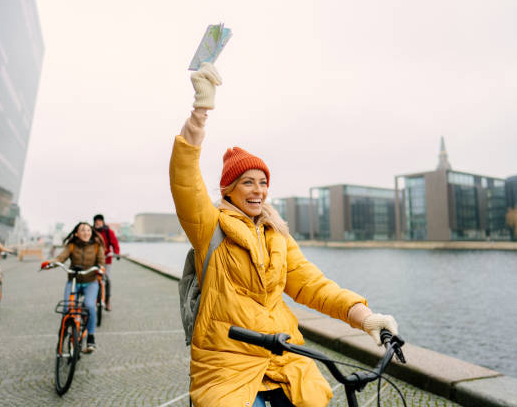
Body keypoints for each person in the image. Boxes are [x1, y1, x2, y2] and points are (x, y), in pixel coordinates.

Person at [169, 62, 399, 407]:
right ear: (229, 189)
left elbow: (313, 284)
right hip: (227, 362)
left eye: (263, 183)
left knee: (317, 398)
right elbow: (185, 180)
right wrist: (201, 110)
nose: (258, 190)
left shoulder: (277, 234)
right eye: (248, 182)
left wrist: (365, 317)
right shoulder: (209, 227)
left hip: (285, 356)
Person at [42, 222, 105, 353]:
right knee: (67, 307)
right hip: (74, 281)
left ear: (91, 232)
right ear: (76, 233)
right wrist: (49, 264)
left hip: (91, 281)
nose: (86, 232)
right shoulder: (71, 246)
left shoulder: (97, 247)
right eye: (82, 230)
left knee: (90, 305)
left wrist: (101, 268)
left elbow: (101, 262)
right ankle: (63, 334)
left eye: (88, 230)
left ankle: (91, 337)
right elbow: (60, 258)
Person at [93, 214, 120, 311]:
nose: (98, 222)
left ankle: (107, 300)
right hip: (94, 259)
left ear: (103, 222)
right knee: (91, 278)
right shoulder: (92, 232)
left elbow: (115, 243)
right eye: (96, 221)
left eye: (100, 221)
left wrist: (116, 253)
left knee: (107, 279)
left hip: (107, 259)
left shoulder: (108, 232)